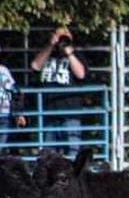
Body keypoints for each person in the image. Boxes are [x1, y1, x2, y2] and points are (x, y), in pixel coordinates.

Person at [30, 27, 88, 156]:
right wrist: (50, 46)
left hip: (70, 114)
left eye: (66, 33)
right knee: (47, 155)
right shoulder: (46, 53)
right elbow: (35, 66)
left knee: (73, 153)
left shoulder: (77, 55)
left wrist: (69, 53)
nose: (63, 37)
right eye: (59, 34)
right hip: (48, 114)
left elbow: (81, 74)